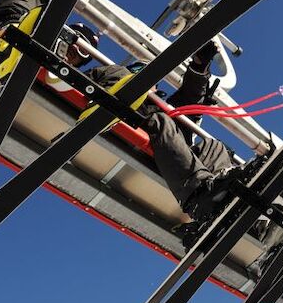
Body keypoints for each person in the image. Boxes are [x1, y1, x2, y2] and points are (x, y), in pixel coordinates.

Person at [85, 40, 241, 246]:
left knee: (214, 146)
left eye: (155, 83)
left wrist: (199, 68)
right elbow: (87, 82)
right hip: (126, 118)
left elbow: (188, 98)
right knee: (162, 120)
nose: (154, 86)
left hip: (167, 141)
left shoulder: (158, 104)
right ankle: (198, 196)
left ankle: (228, 193)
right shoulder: (115, 74)